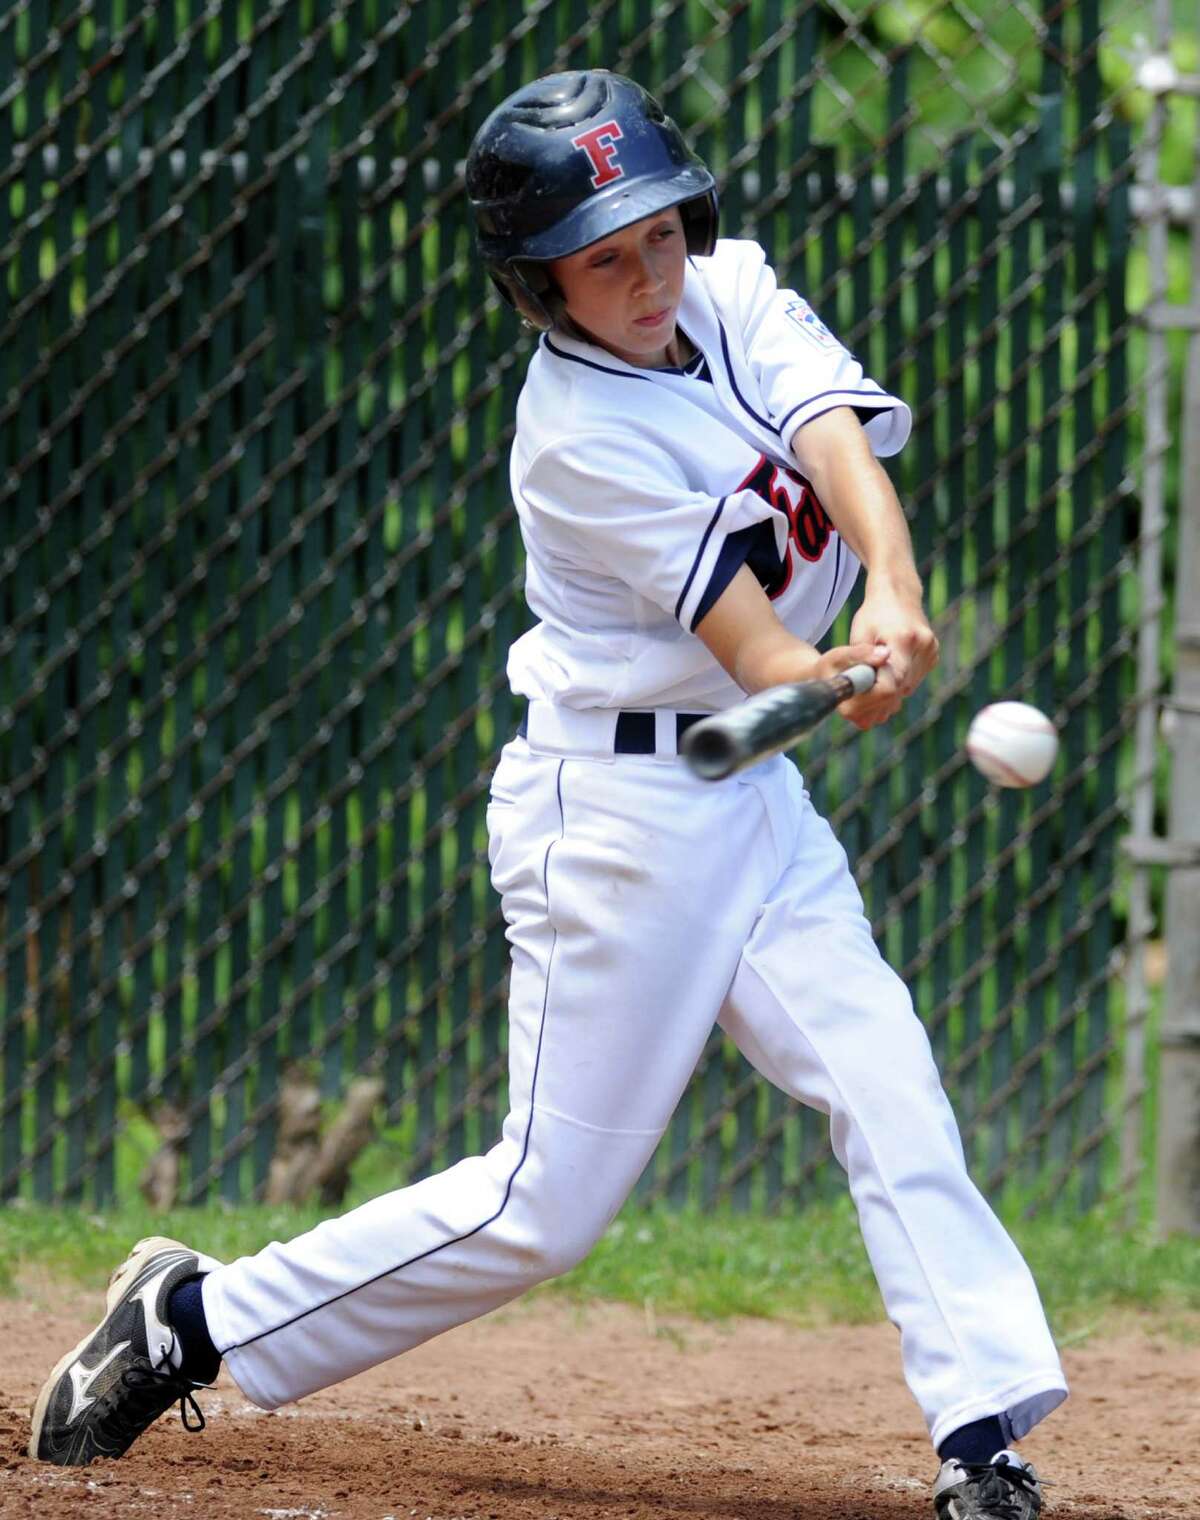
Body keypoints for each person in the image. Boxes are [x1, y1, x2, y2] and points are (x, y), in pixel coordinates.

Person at [29, 70, 1066, 1520]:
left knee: (889, 1088)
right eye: (602, 257)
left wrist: (894, 588)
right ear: (538, 285)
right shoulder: (577, 442)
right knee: (539, 1210)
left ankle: (982, 1444)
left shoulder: (729, 284)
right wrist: (840, 674)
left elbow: (830, 426)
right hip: (621, 821)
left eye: (658, 234)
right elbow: (758, 651)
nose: (646, 277)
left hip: (748, 801)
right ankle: (191, 1324)